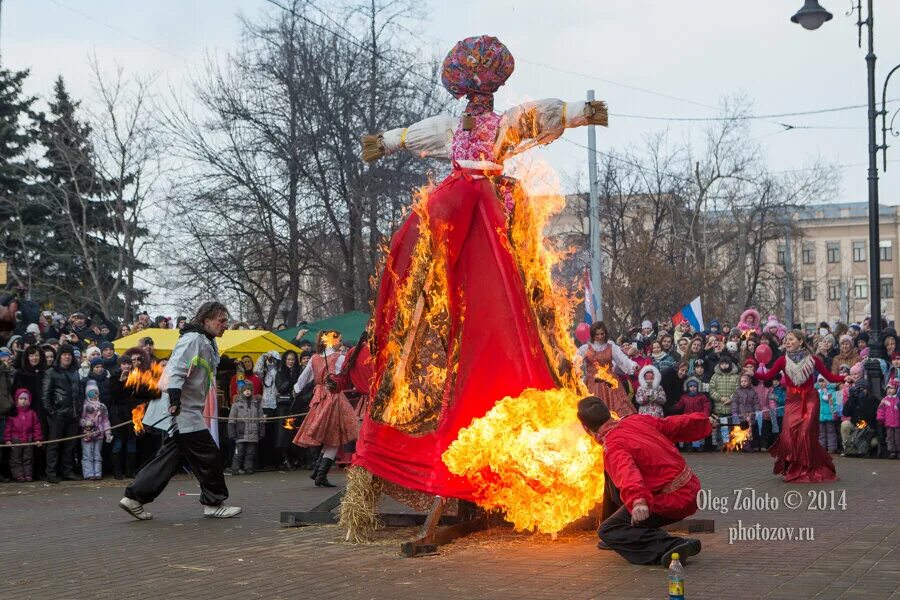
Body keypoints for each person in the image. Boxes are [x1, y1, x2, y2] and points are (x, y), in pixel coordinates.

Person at [350, 34, 607, 502]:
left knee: (502, 274)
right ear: (466, 93)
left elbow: (537, 117)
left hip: (492, 201)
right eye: (475, 93)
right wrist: (384, 143)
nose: (479, 100)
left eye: (484, 94)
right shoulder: (452, 125)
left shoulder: (504, 123)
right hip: (459, 205)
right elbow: (417, 133)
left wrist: (578, 112)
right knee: (419, 249)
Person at [119, 301, 241, 520]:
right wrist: (175, 399)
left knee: (169, 458)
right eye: (221, 321)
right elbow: (176, 368)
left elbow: (205, 366)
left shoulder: (205, 340)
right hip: (182, 411)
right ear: (206, 321)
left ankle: (133, 497)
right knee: (209, 456)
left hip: (185, 410)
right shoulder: (194, 339)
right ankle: (213, 502)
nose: (225, 325)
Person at [577, 396, 712, 566]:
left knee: (608, 530)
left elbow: (628, 473)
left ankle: (672, 545)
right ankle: (633, 529)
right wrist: (703, 421)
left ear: (585, 428)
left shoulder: (614, 446)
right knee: (609, 475)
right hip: (691, 488)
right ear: (608, 412)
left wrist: (638, 501)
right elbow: (671, 424)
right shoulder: (635, 420)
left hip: (673, 500)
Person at [755, 330, 849, 482]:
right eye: (786, 340)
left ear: (801, 341)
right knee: (788, 433)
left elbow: (829, 376)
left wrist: (845, 378)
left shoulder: (813, 359)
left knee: (805, 434)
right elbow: (768, 376)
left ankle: (807, 467)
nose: (787, 342)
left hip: (810, 399)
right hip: (792, 400)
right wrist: (752, 373)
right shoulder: (782, 360)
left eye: (791, 339)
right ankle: (792, 466)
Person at [292, 331, 359, 487]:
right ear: (331, 341)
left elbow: (303, 378)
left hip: (320, 398)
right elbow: (351, 372)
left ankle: (317, 472)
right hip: (334, 398)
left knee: (331, 437)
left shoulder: (314, 358)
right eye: (339, 340)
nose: (340, 343)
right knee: (334, 438)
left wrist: (296, 389)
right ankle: (320, 474)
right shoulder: (339, 358)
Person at [576, 322, 638, 417]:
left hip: (610, 382)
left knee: (619, 408)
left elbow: (622, 359)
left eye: (602, 334)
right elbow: (576, 360)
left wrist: (632, 365)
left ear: (605, 333)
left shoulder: (611, 347)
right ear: (593, 335)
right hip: (592, 383)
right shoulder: (585, 348)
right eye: (597, 334)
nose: (600, 336)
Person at [41, 344, 82, 483]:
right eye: (64, 354)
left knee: (70, 445)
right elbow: (45, 396)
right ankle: (51, 473)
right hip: (57, 415)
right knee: (54, 445)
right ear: (60, 356)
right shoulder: (50, 372)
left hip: (73, 414)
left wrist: (79, 409)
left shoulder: (75, 373)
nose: (67, 356)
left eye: (69, 354)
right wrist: (53, 413)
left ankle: (67, 471)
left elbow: (79, 394)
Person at [108, 354, 140, 479]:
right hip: (118, 414)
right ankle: (117, 472)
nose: (127, 366)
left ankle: (130, 471)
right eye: (124, 363)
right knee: (118, 442)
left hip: (132, 413)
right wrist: (121, 382)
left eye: (128, 363)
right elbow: (114, 396)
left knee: (132, 442)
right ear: (119, 365)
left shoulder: (135, 377)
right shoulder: (114, 377)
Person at [4, 389, 43, 481]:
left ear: (29, 400)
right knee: (15, 459)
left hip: (28, 439)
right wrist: (7, 440)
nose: (23, 401)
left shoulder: (32, 413)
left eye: (25, 399)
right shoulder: (13, 414)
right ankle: (18, 475)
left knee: (28, 458)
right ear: (17, 400)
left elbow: (36, 427)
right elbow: (8, 428)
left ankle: (28, 474)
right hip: (16, 439)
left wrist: (38, 439)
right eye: (21, 398)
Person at [274, 350, 303, 470]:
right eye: (289, 359)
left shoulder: (299, 372)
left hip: (296, 407)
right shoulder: (280, 373)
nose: (291, 362)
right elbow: (280, 388)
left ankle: (295, 458)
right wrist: (290, 380)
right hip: (284, 408)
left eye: (293, 359)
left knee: (295, 434)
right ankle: (286, 459)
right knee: (284, 435)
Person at [227, 382, 264, 475]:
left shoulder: (256, 404)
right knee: (239, 452)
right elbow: (231, 420)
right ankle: (235, 469)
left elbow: (261, 419)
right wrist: (232, 433)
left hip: (253, 432)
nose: (247, 392)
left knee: (250, 453)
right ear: (242, 391)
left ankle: (248, 468)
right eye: (245, 390)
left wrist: (262, 432)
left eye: (249, 390)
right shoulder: (236, 404)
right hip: (241, 432)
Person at [79, 380, 112, 481]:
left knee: (97, 454)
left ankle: (97, 473)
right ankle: (88, 473)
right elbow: (79, 419)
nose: (94, 395)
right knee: (87, 454)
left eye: (96, 393)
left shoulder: (102, 407)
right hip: (87, 434)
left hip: (99, 434)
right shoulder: (84, 406)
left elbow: (106, 421)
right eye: (91, 393)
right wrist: (85, 423)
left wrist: (108, 433)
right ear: (87, 394)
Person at [674, 378, 711, 451]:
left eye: (694, 387)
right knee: (688, 432)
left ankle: (698, 445)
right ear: (688, 388)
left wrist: (705, 414)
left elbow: (706, 405)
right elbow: (679, 405)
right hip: (688, 418)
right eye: (691, 387)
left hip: (698, 417)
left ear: (697, 387)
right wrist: (673, 408)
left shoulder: (702, 397)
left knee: (698, 432)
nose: (692, 388)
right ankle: (688, 445)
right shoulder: (684, 397)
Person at [876, 380, 900, 459]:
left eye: (891, 388)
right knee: (889, 438)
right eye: (888, 388)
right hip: (888, 423)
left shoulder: (898, 400)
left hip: (898, 423)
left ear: (896, 389)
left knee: (898, 438)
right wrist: (880, 418)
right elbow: (880, 410)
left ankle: (898, 451)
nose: (889, 390)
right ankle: (892, 451)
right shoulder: (885, 400)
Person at [816, 376, 839, 454]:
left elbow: (833, 401)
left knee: (831, 432)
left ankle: (832, 447)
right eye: (820, 382)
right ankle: (822, 447)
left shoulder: (832, 391)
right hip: (820, 415)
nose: (821, 384)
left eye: (823, 381)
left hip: (829, 415)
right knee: (821, 432)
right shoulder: (818, 391)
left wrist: (826, 395)